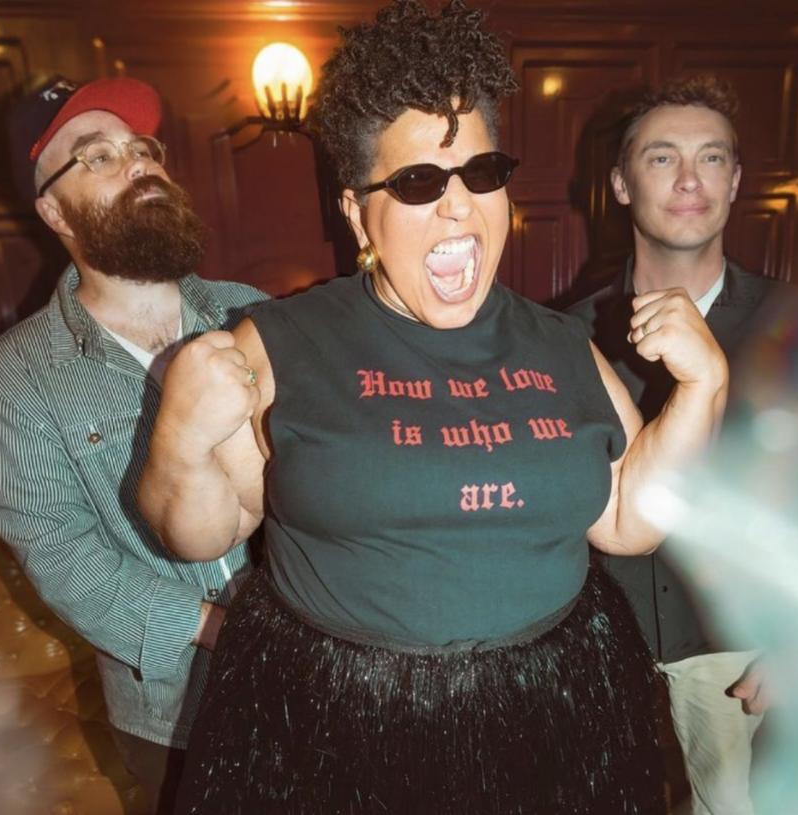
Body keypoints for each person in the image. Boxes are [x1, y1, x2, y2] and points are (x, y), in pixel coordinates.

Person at [139, 3, 728, 812]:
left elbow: (629, 517)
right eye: (418, 183)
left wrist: (705, 389)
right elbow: (200, 531)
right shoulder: (282, 342)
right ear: (357, 214)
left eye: (482, 174)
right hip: (336, 731)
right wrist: (181, 436)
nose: (458, 208)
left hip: (548, 721)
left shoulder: (561, 343)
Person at [0, 75, 268, 812]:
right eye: (96, 156)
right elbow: (63, 557)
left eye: (143, 148)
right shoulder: (15, 379)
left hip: (319, 672)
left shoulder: (252, 314)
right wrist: (221, 631)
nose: (137, 163)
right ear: (52, 208)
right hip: (173, 713)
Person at [568, 75, 798, 815]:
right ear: (619, 182)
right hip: (599, 669)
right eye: (661, 158)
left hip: (745, 667)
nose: (689, 179)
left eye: (711, 158)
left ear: (737, 179)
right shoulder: (566, 335)